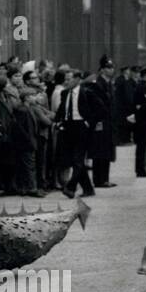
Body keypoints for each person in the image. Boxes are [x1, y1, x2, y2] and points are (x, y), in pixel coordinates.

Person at [56, 69, 96, 198]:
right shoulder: (64, 93)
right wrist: (58, 121)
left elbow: (101, 109)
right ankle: (88, 189)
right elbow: (61, 109)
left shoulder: (87, 93)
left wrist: (89, 122)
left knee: (78, 159)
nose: (66, 82)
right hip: (68, 127)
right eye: (65, 79)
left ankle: (70, 187)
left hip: (81, 126)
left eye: (70, 79)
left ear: (78, 79)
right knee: (74, 160)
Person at [91, 56, 117, 187]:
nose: (111, 70)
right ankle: (98, 179)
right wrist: (98, 120)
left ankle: (105, 178)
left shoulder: (108, 83)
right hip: (100, 121)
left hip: (108, 121)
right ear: (102, 69)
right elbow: (97, 104)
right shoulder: (98, 83)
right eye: (108, 67)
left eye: (112, 67)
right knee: (99, 150)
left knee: (106, 149)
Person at [114, 65, 137, 145]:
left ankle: (126, 139)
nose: (129, 72)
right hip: (121, 106)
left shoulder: (129, 80)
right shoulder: (120, 80)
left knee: (127, 123)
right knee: (122, 124)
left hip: (127, 106)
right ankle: (122, 140)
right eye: (128, 70)